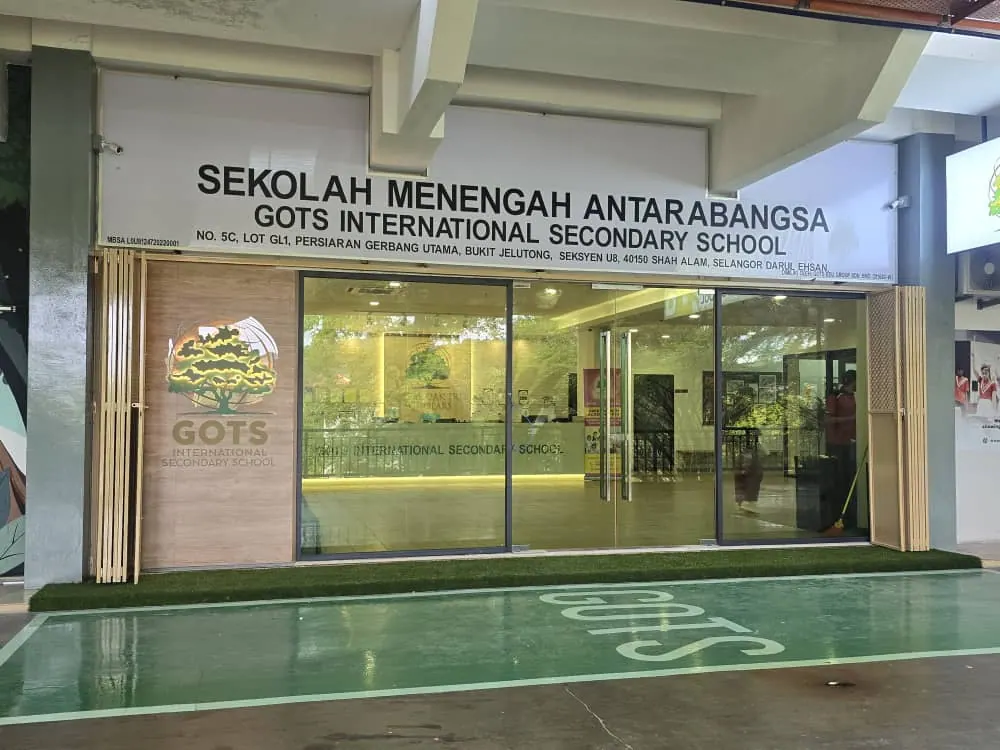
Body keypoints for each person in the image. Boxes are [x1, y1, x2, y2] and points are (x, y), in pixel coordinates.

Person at [824, 371, 857, 532]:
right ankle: (837, 515)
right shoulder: (835, 397)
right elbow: (828, 420)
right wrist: (851, 419)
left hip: (854, 442)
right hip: (838, 444)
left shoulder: (857, 397)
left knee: (851, 479)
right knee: (840, 480)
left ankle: (852, 516)